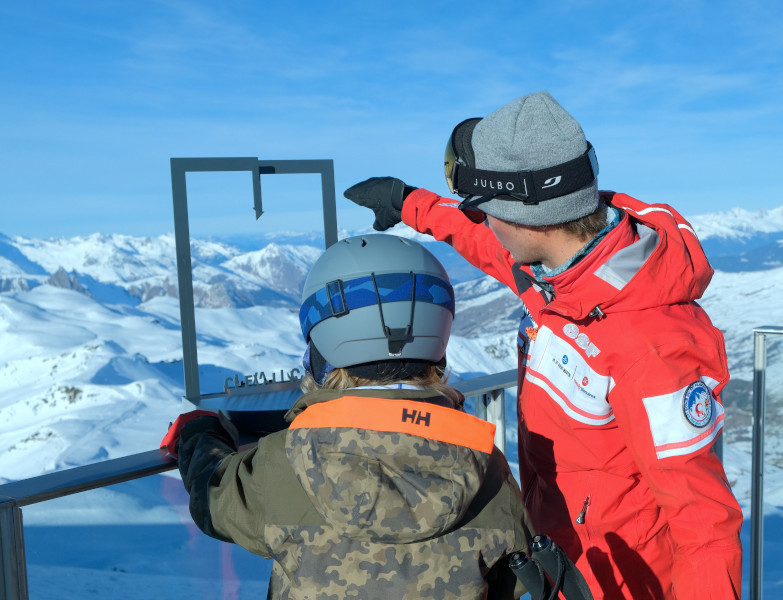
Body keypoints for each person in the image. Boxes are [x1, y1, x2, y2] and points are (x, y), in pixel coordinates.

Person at [344, 91, 744, 599]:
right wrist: (410, 203)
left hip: (622, 581)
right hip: (561, 557)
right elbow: (481, 240)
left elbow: (705, 525)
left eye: (487, 209)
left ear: (523, 215)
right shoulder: (560, 274)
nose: (484, 222)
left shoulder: (648, 342)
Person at [161, 233, 533, 599]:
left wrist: (200, 432)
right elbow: (515, 578)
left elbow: (214, 498)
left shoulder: (287, 459)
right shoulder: (487, 468)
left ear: (322, 349)